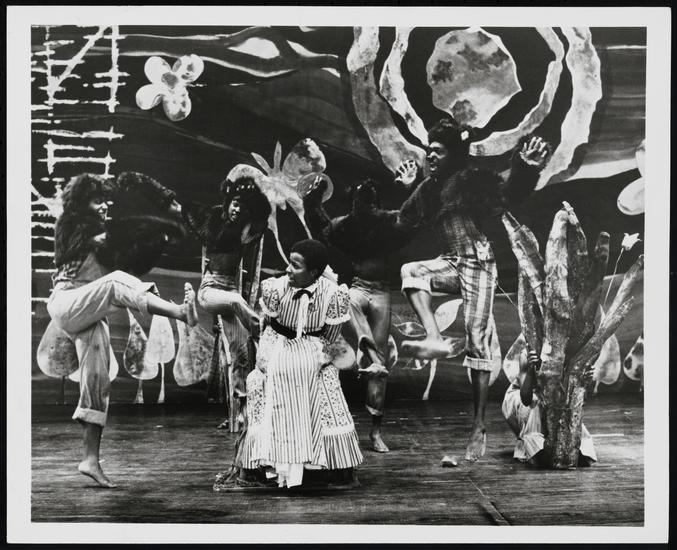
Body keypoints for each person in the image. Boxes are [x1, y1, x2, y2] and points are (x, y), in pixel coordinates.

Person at [396, 117, 551, 461]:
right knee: (412, 271)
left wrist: (525, 168)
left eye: (437, 151)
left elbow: (506, 193)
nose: (430, 156)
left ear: (453, 154)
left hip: (479, 263)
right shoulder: (428, 188)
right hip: (450, 261)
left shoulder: (470, 181)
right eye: (428, 150)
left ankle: (479, 425)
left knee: (477, 341)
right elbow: (405, 220)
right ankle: (434, 337)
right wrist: (410, 187)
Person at [47, 173, 199, 488]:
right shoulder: (73, 225)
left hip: (88, 310)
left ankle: (90, 460)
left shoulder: (102, 236)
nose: (103, 206)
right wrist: (164, 219)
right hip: (66, 302)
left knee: (97, 378)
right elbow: (121, 231)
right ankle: (178, 312)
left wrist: (162, 233)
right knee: (116, 281)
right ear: (81, 204)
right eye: (96, 201)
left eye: (105, 200)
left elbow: (128, 246)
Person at [303, 175, 418, 453]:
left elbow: (410, 219)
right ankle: (367, 347)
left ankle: (376, 431)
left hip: (381, 292)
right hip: (359, 287)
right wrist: (313, 201)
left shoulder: (388, 224)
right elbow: (324, 227)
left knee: (379, 369)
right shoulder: (347, 226)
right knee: (347, 299)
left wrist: (410, 188)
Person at [236, 239, 363, 489]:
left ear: (314, 272)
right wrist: (266, 362)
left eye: (296, 266)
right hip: (279, 347)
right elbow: (268, 328)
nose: (288, 270)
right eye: (289, 263)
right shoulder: (275, 288)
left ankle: (327, 467)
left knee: (325, 388)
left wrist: (318, 360)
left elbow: (330, 336)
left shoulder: (333, 293)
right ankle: (267, 466)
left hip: (314, 350)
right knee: (265, 382)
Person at [177, 175, 271, 428]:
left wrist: (254, 197)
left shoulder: (244, 231)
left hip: (230, 294)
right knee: (236, 301)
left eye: (242, 206)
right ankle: (266, 335)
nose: (237, 210)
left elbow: (262, 216)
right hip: (210, 292)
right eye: (235, 204)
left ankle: (240, 413)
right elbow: (185, 209)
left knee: (241, 354)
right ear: (228, 203)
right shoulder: (215, 227)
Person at [502, 346, 596, 466]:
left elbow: (581, 398)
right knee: (536, 402)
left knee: (566, 407)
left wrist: (585, 382)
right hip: (526, 396)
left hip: (553, 396)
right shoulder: (528, 354)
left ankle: (573, 446)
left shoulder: (571, 353)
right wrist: (531, 370)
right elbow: (526, 399)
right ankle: (535, 448)